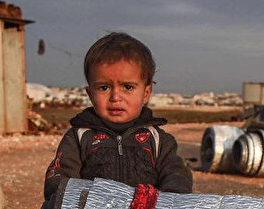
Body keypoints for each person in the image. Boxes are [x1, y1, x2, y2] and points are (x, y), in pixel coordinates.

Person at [42, 32, 193, 200]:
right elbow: (58, 179)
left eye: (127, 87)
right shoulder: (79, 137)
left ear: (146, 93)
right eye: (104, 88)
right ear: (90, 93)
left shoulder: (158, 140)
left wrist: (168, 202)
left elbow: (177, 176)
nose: (115, 97)